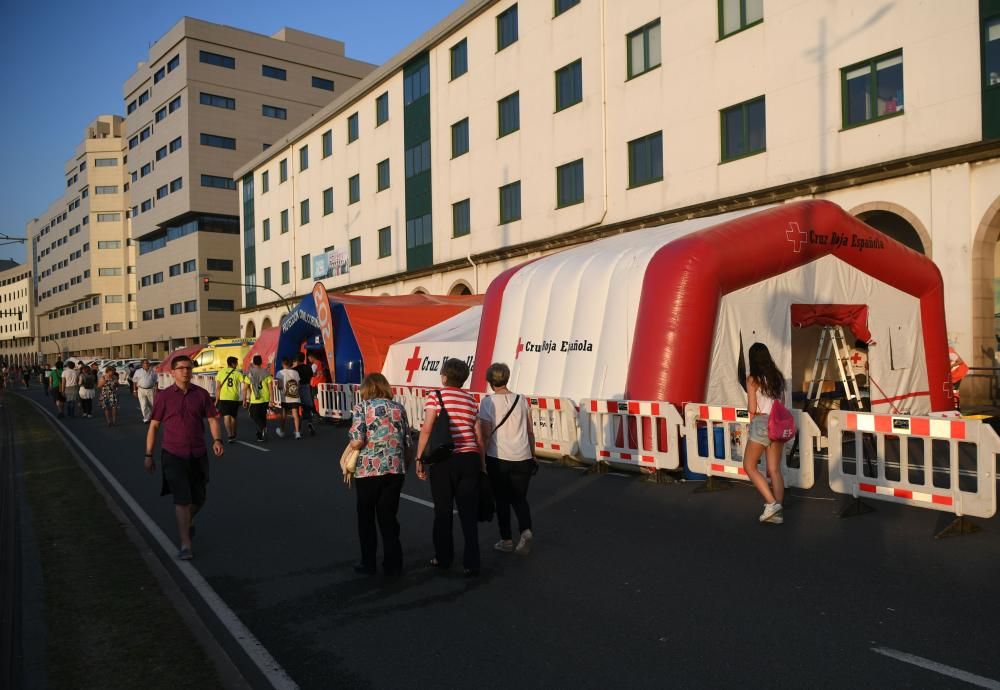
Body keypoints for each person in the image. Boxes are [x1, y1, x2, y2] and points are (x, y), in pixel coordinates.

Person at [144, 355, 225, 560]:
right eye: (181, 368)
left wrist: (217, 440)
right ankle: (185, 544)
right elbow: (154, 426)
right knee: (182, 499)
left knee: (199, 498)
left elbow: (213, 419)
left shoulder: (202, 394)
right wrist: (149, 454)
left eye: (189, 368)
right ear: (172, 372)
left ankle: (188, 520)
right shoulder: (164, 396)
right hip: (172, 454)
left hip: (197, 453)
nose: (186, 372)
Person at [415, 358, 484, 577]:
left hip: (445, 459)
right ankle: (472, 562)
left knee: (443, 511)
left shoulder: (436, 396)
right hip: (470, 458)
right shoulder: (471, 400)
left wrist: (419, 459)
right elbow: (479, 436)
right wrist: (482, 465)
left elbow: (427, 429)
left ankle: (443, 557)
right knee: (468, 513)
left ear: (444, 376)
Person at [347, 373, 412, 576]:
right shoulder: (399, 408)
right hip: (395, 468)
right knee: (388, 517)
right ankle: (393, 564)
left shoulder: (362, 408)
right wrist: (403, 467)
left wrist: (350, 443)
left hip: (368, 469)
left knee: (366, 518)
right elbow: (407, 442)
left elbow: (357, 441)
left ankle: (369, 563)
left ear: (366, 388)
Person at [479, 362, 536, 555]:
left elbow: (486, 435)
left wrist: (482, 461)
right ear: (507, 378)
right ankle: (526, 530)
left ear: (490, 381)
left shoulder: (487, 402)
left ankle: (506, 540)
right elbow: (529, 431)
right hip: (523, 456)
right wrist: (533, 455)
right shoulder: (521, 400)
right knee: (520, 499)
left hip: (499, 457)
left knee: (502, 500)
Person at [742, 342, 788, 525]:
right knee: (774, 470)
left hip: (761, 422)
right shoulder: (778, 377)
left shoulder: (753, 379)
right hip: (778, 422)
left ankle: (771, 504)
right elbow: (782, 404)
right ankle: (777, 510)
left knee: (749, 466)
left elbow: (752, 408)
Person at [243, 355, 273, 442]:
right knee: (262, 416)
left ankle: (262, 429)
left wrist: (244, 400)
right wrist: (271, 400)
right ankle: (260, 435)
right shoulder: (266, 373)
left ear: (253, 363)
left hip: (255, 399)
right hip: (265, 398)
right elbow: (270, 388)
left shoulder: (250, 373)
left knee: (253, 415)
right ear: (261, 362)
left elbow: (245, 388)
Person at [214, 356, 244, 443]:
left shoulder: (221, 372)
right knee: (233, 417)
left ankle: (229, 435)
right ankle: (234, 433)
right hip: (234, 398)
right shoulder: (238, 373)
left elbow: (218, 387)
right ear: (233, 364)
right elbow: (243, 384)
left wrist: (216, 400)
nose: (237, 365)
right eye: (236, 363)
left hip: (223, 398)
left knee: (226, 417)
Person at [274, 358, 302, 439]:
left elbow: (280, 386)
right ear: (290, 364)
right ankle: (297, 433)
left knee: (283, 415)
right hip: (295, 396)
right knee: (295, 414)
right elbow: (298, 385)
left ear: (283, 364)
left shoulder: (279, 373)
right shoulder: (296, 372)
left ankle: (282, 431)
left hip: (285, 397)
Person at [294, 353, 317, 436]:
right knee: (307, 407)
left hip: (298, 388)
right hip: (307, 387)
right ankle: (310, 423)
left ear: (296, 360)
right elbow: (312, 375)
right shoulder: (308, 367)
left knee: (297, 410)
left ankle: (298, 429)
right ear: (304, 359)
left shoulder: (295, 369)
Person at [132, 358, 158, 424]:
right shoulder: (138, 371)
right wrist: (135, 390)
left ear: (149, 364)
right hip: (141, 389)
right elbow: (134, 381)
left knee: (152, 404)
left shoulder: (153, 371)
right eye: (144, 363)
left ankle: (152, 417)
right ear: (142, 365)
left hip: (151, 389)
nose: (146, 364)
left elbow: (156, 381)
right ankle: (146, 418)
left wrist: (156, 389)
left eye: (147, 363)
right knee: (143, 405)